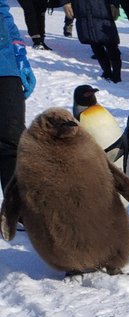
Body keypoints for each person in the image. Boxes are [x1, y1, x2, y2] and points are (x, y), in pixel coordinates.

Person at [1, 3, 35, 196]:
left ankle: (18, 209)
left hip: (4, 65)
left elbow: (3, 14)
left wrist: (20, 56)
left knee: (13, 140)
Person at [74, 0, 123, 82]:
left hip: (103, 9)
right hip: (84, 9)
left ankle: (116, 74)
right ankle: (107, 71)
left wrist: (115, 4)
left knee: (110, 43)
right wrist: (66, 3)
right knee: (94, 42)